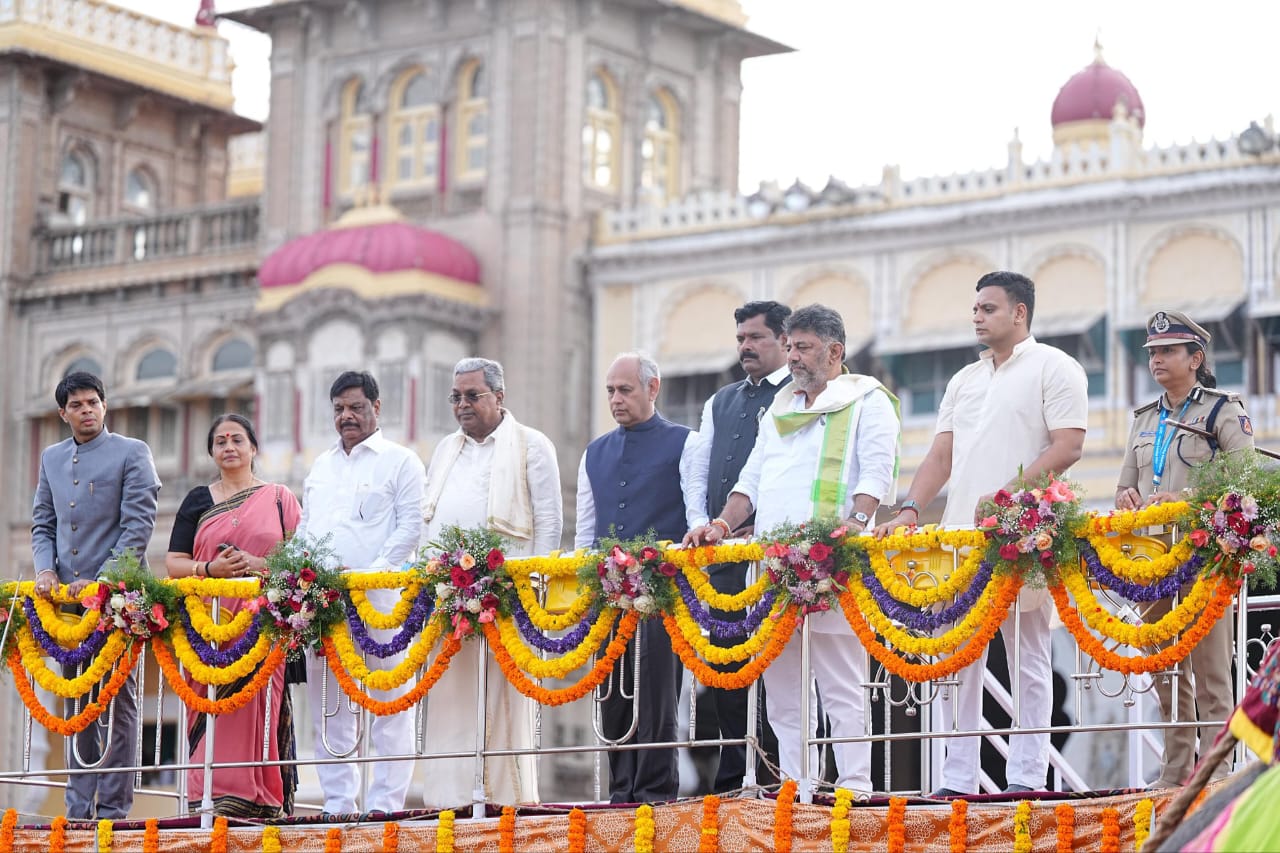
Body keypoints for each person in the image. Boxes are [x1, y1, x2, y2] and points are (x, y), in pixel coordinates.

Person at [873, 270, 1088, 797]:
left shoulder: (1055, 367)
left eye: (988, 308)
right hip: (959, 540)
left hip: (1022, 533)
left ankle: (1027, 777)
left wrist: (1010, 496)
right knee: (957, 661)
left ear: (1020, 313)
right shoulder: (963, 380)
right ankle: (958, 778)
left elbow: (1068, 446)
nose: (976, 317)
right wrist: (908, 510)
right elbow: (941, 455)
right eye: (975, 309)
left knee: (1029, 657)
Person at [686, 304, 901, 796]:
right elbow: (752, 480)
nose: (794, 356)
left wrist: (857, 522)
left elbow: (875, 474)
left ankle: (854, 789)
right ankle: (798, 787)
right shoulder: (781, 404)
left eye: (803, 347)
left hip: (833, 561)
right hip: (773, 564)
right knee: (782, 691)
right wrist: (721, 523)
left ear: (835, 351)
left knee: (842, 685)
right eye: (791, 346)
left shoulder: (868, 399)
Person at [1115, 310, 1251, 789]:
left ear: (1196, 358)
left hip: (1205, 558)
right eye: (1152, 352)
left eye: (1168, 351)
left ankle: (1216, 778)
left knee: (1213, 673)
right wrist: (1127, 499)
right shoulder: (1145, 419)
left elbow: (1245, 481)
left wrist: (1188, 500)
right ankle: (1175, 774)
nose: (1157, 360)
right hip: (1152, 560)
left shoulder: (1221, 410)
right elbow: (1124, 488)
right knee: (1167, 677)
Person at [419, 358, 561, 807]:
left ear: (499, 397)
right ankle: (449, 802)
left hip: (509, 595)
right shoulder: (445, 449)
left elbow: (549, 523)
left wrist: (531, 590)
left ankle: (505, 802)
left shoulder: (531, 444)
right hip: (449, 594)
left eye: (472, 395)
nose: (462, 404)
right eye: (456, 397)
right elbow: (429, 522)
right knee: (450, 697)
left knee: (505, 702)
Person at [575, 352, 707, 803]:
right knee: (612, 691)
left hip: (663, 591)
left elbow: (696, 515)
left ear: (652, 389)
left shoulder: (686, 442)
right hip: (608, 591)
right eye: (610, 390)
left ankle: (653, 791)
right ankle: (620, 791)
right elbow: (585, 533)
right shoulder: (595, 452)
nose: (615, 399)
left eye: (625, 389)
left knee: (655, 694)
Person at [31, 371, 161, 820]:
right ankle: (78, 806)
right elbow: (43, 523)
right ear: (63, 413)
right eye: (78, 405)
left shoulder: (131, 452)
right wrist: (45, 570)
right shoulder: (51, 457)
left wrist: (104, 580)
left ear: (104, 407)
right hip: (67, 605)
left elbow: (138, 526)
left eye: (94, 402)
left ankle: (113, 809)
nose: (87, 410)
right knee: (76, 700)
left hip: (117, 602)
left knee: (118, 703)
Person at [296, 371, 425, 816]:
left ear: (377, 407)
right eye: (338, 409)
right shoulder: (321, 465)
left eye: (355, 407)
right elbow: (306, 530)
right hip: (325, 606)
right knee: (330, 708)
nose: (346, 416)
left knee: (391, 705)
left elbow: (411, 528)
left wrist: (368, 577)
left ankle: (385, 808)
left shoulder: (401, 461)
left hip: (385, 604)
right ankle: (338, 806)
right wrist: (300, 575)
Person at [164, 414, 303, 818]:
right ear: (212, 452)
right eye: (220, 441)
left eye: (237, 439)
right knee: (209, 703)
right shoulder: (197, 500)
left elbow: (300, 561)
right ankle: (207, 794)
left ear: (253, 448)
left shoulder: (279, 498)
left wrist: (258, 562)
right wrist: (210, 571)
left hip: (263, 625)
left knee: (261, 701)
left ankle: (259, 799)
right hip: (208, 627)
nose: (229, 447)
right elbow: (174, 563)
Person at [692, 300, 790, 793]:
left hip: (776, 558)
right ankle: (736, 772)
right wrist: (704, 525)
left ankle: (779, 773)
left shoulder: (801, 395)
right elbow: (701, 468)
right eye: (740, 339)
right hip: (724, 557)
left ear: (784, 340)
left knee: (779, 668)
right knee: (725, 662)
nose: (745, 347)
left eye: (756, 338)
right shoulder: (721, 400)